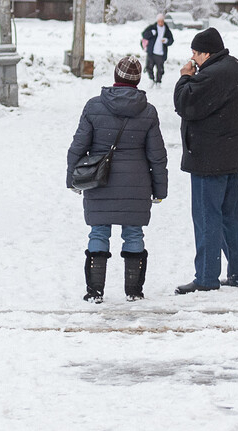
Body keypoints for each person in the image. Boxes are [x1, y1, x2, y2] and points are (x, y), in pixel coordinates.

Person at [65, 54, 168, 303]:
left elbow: (78, 147)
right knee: (133, 233)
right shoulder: (148, 111)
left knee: (99, 232)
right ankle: (133, 291)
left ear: (115, 77)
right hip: (137, 184)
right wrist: (160, 189)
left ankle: (94, 292)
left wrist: (72, 179)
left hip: (100, 180)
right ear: (138, 80)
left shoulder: (94, 106)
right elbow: (157, 156)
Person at [171, 27, 238, 294]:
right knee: (231, 216)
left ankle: (206, 277)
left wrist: (185, 78)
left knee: (207, 217)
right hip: (232, 155)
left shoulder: (211, 76)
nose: (193, 58)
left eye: (195, 53)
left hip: (209, 159)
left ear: (207, 53)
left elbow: (186, 104)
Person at [139, 13, 175, 84]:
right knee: (149, 67)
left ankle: (158, 82)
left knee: (160, 69)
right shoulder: (152, 27)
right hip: (151, 52)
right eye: (159, 21)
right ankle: (151, 79)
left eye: (162, 21)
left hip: (161, 53)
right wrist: (151, 33)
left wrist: (166, 41)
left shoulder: (166, 29)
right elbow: (144, 35)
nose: (160, 22)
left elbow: (171, 40)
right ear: (157, 21)